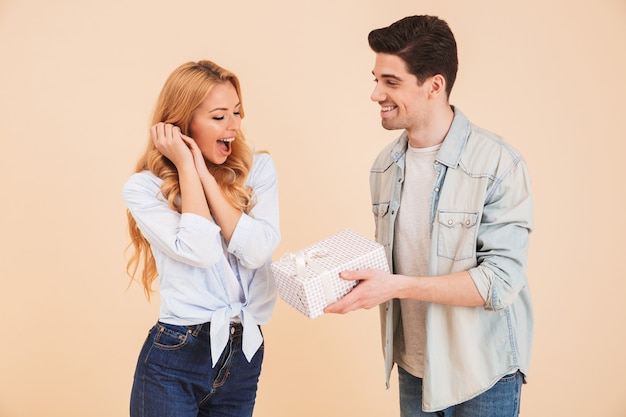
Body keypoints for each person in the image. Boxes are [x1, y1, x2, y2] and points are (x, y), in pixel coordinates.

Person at [325, 15, 533, 417]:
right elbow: (402, 256)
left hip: (482, 371)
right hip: (414, 366)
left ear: (434, 85)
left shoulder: (497, 164)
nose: (375, 94)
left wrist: (394, 286)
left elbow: (500, 282)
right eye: (375, 78)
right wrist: (343, 273)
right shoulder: (384, 166)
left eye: (391, 81)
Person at [123, 60, 280, 417]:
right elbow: (201, 249)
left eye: (237, 113)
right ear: (182, 124)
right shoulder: (143, 189)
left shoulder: (258, 170)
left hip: (243, 355)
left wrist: (206, 178)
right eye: (220, 116)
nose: (235, 126)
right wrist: (185, 166)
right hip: (175, 356)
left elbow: (256, 252)